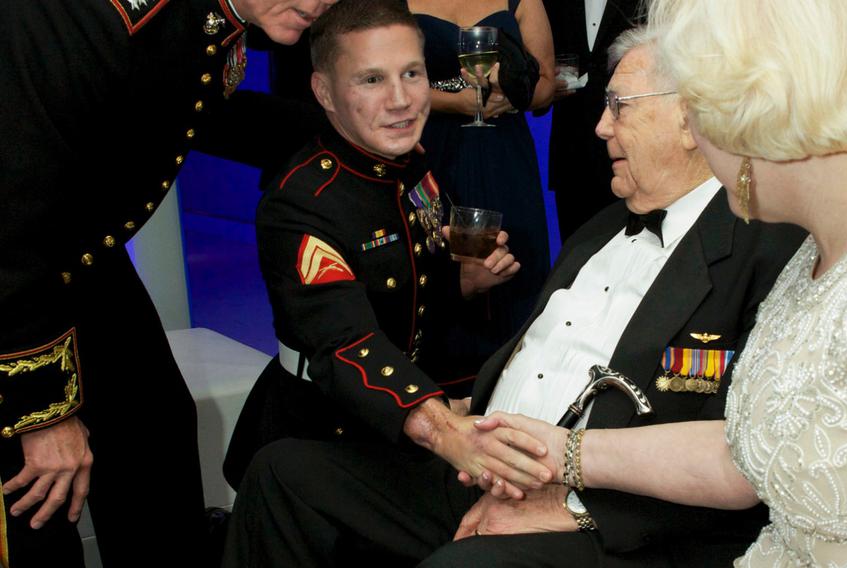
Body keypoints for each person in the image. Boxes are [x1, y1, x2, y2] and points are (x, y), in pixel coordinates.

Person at [223, 27, 807, 567]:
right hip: (488, 461)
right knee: (282, 473)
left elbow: (749, 455)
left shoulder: (765, 251)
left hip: (606, 511)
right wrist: (464, 428)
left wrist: (575, 507)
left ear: (689, 120)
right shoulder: (602, 225)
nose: (600, 127)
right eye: (372, 79)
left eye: (618, 107)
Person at [475, 1, 847, 565]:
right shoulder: (819, 245)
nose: (701, 141)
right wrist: (561, 452)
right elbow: (748, 452)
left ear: (764, 103)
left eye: (702, 108)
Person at [0, 1, 336, 566]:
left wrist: (350, 125)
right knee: (36, 502)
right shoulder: (88, 15)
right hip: (16, 280)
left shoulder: (207, 17)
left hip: (78, 258)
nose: (319, 2)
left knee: (155, 446)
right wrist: (44, 415)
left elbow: (183, 106)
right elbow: (8, 221)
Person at [222, 0, 556, 506]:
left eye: (412, 74)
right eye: (372, 80)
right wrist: (442, 428)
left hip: (395, 430)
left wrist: (462, 281)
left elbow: (408, 286)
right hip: (320, 445)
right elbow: (346, 345)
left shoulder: (411, 169)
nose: (401, 100)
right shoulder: (302, 202)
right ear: (324, 92)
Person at [406, 0, 556, 378]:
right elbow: (390, 81)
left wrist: (511, 89)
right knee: (438, 256)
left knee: (513, 257)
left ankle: (515, 379)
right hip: (432, 146)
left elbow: (546, 86)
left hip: (503, 151)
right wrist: (454, 103)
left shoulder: (522, 1)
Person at [542, 0, 638, 242]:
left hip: (632, 147)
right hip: (572, 151)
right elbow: (538, 63)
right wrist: (542, 88)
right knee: (575, 251)